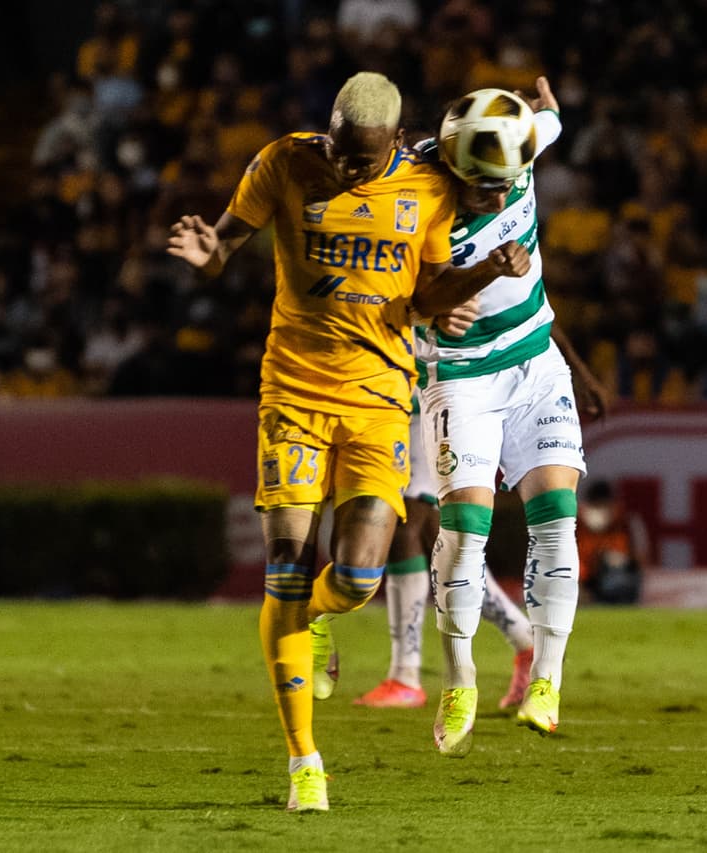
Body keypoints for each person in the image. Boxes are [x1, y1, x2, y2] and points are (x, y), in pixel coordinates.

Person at [165, 71, 529, 812]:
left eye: (360, 159)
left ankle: (322, 619)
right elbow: (226, 243)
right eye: (337, 149)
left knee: (360, 575)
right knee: (288, 568)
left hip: (376, 399)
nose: (344, 167)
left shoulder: (427, 186)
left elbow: (426, 293)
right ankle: (305, 762)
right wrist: (209, 256)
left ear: (395, 141)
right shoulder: (284, 161)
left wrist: (483, 273)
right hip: (292, 393)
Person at [411, 78, 598, 756]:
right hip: (461, 379)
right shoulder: (415, 198)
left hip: (538, 363)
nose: (503, 195)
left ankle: (545, 680)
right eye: (488, 189)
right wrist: (433, 296)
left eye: (509, 184)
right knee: (465, 533)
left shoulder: (515, 143)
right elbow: (396, 281)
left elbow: (550, 118)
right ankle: (459, 675)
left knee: (557, 519)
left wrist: (546, 104)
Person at [352, 400, 536, 710]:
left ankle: (405, 676)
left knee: (408, 520)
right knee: (435, 538)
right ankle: (526, 640)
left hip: (426, 409)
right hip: (418, 411)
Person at [577, 479, 648, 605]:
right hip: (583, 582)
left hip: (619, 576)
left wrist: (625, 560)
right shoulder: (574, 523)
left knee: (615, 573)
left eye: (603, 505)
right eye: (596, 506)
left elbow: (641, 558)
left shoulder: (626, 520)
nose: (600, 511)